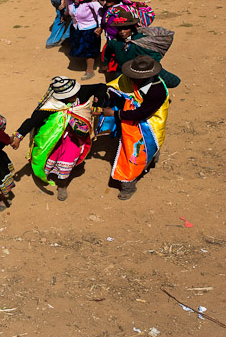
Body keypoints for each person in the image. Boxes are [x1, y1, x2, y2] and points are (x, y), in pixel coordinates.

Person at [11, 77, 107, 200]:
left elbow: (101, 86)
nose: (75, 96)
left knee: (67, 160)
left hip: (74, 138)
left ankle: (62, 185)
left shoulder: (81, 91)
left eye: (75, 93)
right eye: (71, 95)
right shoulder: (51, 105)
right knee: (49, 156)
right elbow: (32, 121)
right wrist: (19, 137)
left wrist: (97, 105)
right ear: (61, 97)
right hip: (53, 138)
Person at [99, 56, 171, 200]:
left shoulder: (157, 91)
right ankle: (152, 158)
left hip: (147, 125)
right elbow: (118, 88)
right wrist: (105, 95)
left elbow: (142, 113)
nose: (131, 79)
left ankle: (128, 186)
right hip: (130, 118)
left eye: (135, 77)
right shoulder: (131, 79)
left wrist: (114, 113)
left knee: (132, 154)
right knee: (143, 150)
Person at [102, 12, 181, 87]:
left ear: (132, 28)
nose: (122, 32)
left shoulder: (141, 42)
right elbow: (107, 52)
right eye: (120, 29)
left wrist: (148, 70)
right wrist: (106, 64)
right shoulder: (114, 42)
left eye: (125, 28)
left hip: (141, 73)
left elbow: (154, 57)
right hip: (123, 71)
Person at [65, 0, 102, 80]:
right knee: (79, 47)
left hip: (90, 29)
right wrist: (64, 16)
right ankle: (89, 62)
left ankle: (89, 71)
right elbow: (68, 11)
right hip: (77, 28)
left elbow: (99, 14)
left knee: (89, 50)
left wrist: (100, 27)